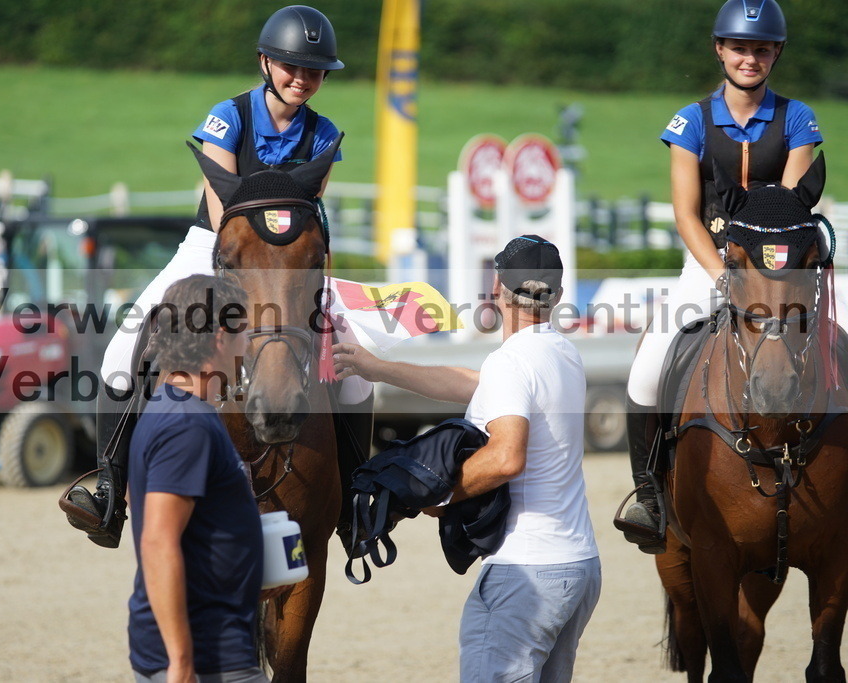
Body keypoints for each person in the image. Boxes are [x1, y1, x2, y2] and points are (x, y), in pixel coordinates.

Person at [76, 5, 351, 547]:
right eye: (292, 67)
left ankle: (360, 491)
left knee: (352, 360)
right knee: (121, 349)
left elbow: (305, 212)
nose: (303, 79)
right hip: (216, 245)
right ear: (265, 62)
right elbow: (224, 208)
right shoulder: (228, 116)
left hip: (289, 260)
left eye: (315, 70)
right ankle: (109, 487)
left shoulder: (324, 135)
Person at [333, 235, 601, 681]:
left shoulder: (512, 363)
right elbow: (471, 384)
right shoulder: (561, 353)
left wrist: (430, 495)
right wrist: (376, 368)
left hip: (526, 571)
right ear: (556, 296)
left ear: (497, 289)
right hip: (578, 566)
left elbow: (506, 458)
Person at [618, 0, 823, 553]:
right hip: (710, 263)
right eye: (740, 47)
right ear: (720, 49)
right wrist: (724, 275)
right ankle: (648, 495)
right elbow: (686, 213)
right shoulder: (692, 121)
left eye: (761, 48)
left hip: (782, 271)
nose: (749, 58)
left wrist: (767, 276)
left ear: (776, 52)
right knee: (648, 367)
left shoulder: (798, 118)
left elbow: (793, 209)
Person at [126, 274, 270, 683]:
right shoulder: (187, 423)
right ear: (221, 338)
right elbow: (157, 541)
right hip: (209, 660)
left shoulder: (175, 407)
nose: (247, 349)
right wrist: (182, 662)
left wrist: (250, 578)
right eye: (244, 335)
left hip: (213, 643)